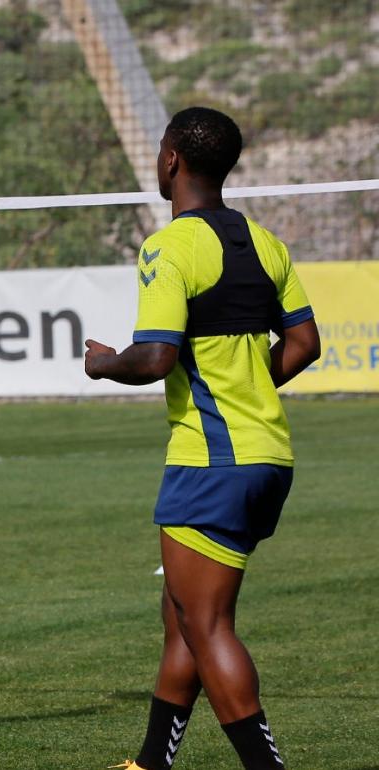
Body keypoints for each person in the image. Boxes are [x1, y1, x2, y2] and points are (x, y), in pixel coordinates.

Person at [85, 107, 320, 770]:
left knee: (208, 624)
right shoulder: (265, 243)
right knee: (183, 616)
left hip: (211, 462)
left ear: (171, 160)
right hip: (268, 457)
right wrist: (248, 388)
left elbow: (156, 357)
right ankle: (150, 763)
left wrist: (103, 363)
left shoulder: (169, 247)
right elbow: (305, 343)